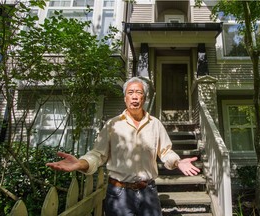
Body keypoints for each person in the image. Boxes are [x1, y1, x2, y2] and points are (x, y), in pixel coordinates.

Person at [46, 77, 200, 216]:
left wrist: (178, 162)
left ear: (144, 98)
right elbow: (98, 154)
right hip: (118, 194)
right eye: (130, 92)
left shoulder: (155, 124)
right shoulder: (112, 125)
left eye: (138, 92)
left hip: (148, 192)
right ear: (125, 98)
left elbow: (165, 152)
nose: (134, 96)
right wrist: (81, 163)